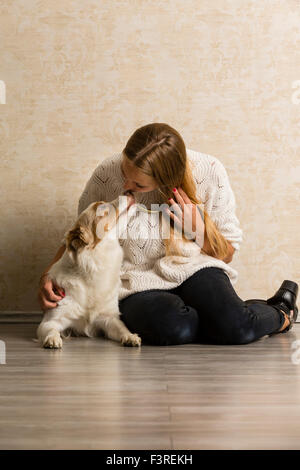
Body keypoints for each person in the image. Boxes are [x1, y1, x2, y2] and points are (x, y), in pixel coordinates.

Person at [37, 122, 298, 345]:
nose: (126, 187)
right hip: (135, 281)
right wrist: (50, 274)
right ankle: (223, 318)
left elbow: (227, 254)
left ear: (165, 178)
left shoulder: (210, 171)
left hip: (197, 270)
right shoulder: (106, 172)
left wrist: (197, 228)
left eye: (138, 184)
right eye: (124, 173)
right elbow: (82, 234)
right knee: (173, 328)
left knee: (238, 328)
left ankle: (281, 311)